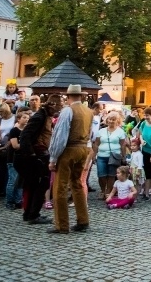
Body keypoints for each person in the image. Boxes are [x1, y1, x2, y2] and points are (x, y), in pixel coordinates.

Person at [47, 84, 94, 234]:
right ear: (81, 96)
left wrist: (53, 157)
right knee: (77, 183)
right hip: (83, 149)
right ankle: (83, 220)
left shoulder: (68, 111)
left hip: (69, 149)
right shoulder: (89, 111)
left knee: (60, 187)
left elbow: (60, 136)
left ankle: (62, 225)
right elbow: (90, 134)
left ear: (67, 97)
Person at [16, 95, 59, 225]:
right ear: (52, 106)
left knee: (35, 185)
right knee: (40, 185)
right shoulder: (39, 117)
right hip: (36, 156)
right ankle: (33, 214)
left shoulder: (45, 116)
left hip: (40, 154)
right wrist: (32, 155)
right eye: (57, 106)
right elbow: (25, 135)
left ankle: (30, 213)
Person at [92, 113, 127, 199]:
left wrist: (124, 156)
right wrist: (94, 155)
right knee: (101, 175)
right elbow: (96, 144)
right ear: (107, 120)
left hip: (114, 156)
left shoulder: (120, 131)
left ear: (117, 121)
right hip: (101, 156)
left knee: (111, 175)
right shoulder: (101, 131)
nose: (111, 121)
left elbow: (123, 145)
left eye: (113, 119)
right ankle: (102, 190)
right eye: (110, 119)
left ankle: (108, 191)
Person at [5, 110, 31, 209]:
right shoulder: (14, 131)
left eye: (28, 118)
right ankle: (9, 201)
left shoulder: (28, 131)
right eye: (24, 118)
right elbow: (15, 145)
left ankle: (18, 200)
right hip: (13, 159)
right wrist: (27, 145)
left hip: (24, 159)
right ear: (19, 119)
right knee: (12, 180)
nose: (26, 120)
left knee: (20, 181)